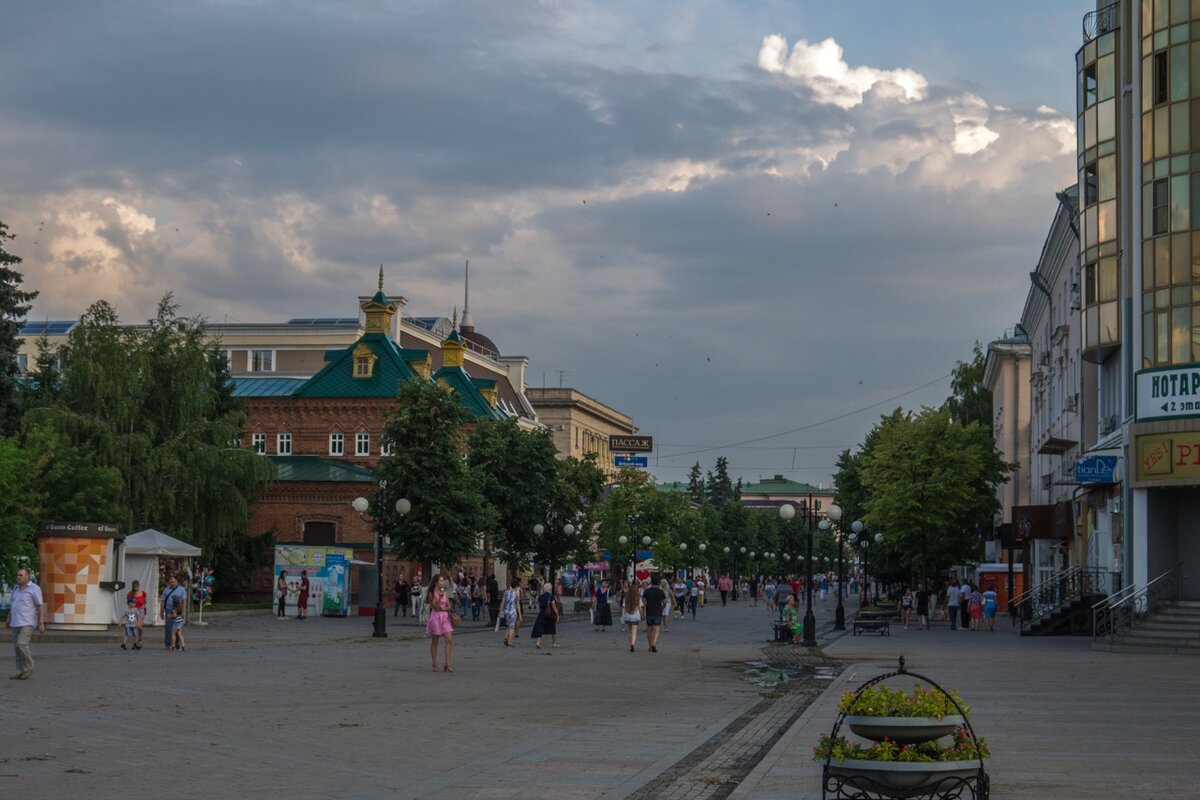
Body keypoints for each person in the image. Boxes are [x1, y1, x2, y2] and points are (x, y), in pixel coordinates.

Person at [7, 568, 45, 680]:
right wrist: (8, 619)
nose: (18, 577)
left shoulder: (34, 588)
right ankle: (22, 671)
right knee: (16, 648)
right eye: (17, 575)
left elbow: (40, 606)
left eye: (21, 575)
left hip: (27, 622)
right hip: (15, 622)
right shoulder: (16, 588)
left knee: (21, 644)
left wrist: (41, 622)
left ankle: (29, 667)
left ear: (27, 576)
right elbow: (13, 605)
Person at [424, 574, 454, 671]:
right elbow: (436, 607)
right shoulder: (431, 593)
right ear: (436, 582)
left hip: (445, 617)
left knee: (449, 640)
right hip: (436, 617)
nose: (442, 582)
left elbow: (449, 605)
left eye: (443, 581)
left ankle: (447, 664)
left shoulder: (444, 591)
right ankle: (434, 663)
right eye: (441, 581)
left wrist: (446, 607)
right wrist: (440, 598)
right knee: (435, 641)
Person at [160, 574, 187, 650]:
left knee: (177, 628)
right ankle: (168, 644)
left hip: (178, 611)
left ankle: (176, 643)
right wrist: (161, 611)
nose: (172, 584)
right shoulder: (166, 590)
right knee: (168, 628)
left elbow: (184, 601)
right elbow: (162, 601)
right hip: (169, 610)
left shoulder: (182, 589)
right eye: (170, 582)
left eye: (173, 582)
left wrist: (183, 612)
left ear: (177, 581)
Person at [531, 582, 559, 649]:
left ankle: (538, 642)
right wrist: (557, 614)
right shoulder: (551, 596)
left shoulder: (541, 596)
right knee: (552, 628)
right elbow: (554, 606)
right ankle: (554, 643)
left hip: (542, 613)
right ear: (550, 589)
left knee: (541, 628)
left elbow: (539, 606)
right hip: (550, 614)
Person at [642, 579, 666, 653]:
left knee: (649, 629)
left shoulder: (647, 591)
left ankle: (650, 645)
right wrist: (662, 607)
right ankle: (654, 644)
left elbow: (643, 601)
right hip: (658, 611)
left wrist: (644, 610)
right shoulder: (661, 591)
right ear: (658, 583)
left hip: (649, 611)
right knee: (656, 628)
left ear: (651, 583)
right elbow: (664, 602)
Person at [122, 580, 147, 650]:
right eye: (134, 587)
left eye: (137, 587)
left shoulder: (143, 593)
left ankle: (140, 639)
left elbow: (145, 601)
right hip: (133, 611)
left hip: (141, 610)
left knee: (140, 627)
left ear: (139, 586)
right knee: (135, 626)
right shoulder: (130, 594)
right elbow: (128, 603)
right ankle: (135, 643)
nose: (136, 589)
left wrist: (143, 606)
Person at [622, 580, 642, 652]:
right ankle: (633, 643)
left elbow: (624, 607)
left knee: (630, 632)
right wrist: (642, 615)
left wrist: (622, 616)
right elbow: (640, 608)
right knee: (634, 632)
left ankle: (630, 645)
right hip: (635, 616)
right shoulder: (638, 598)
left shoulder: (626, 598)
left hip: (628, 616)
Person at [501, 577, 522, 647]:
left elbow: (503, 602)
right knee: (512, 627)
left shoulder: (506, 592)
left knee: (508, 625)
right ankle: (509, 642)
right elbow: (518, 605)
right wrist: (520, 614)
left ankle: (505, 638)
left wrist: (500, 611)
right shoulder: (516, 594)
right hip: (512, 611)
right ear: (516, 587)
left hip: (506, 611)